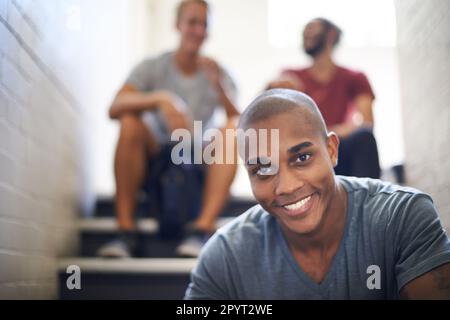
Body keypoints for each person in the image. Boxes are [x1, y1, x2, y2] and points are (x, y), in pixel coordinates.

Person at [185, 89, 450, 299]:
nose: (287, 187)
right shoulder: (226, 255)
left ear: (332, 150)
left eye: (302, 157)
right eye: (263, 170)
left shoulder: (402, 217)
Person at [98, 0, 239, 258]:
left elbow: (241, 123)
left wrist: (220, 87)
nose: (198, 30)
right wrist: (161, 98)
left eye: (204, 24)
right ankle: (125, 233)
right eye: (192, 22)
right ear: (178, 25)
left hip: (198, 161)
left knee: (232, 129)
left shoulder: (218, 73)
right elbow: (114, 107)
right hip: (158, 157)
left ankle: (201, 230)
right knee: (130, 121)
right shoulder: (153, 67)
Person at [268, 18, 380, 179]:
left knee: (365, 137)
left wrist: (325, 135)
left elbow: (367, 122)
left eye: (312, 28)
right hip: (302, 150)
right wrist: (273, 88)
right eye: (304, 30)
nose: (305, 32)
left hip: (337, 150)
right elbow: (263, 114)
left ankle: (368, 200)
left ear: (331, 35)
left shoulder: (355, 77)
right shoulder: (290, 76)